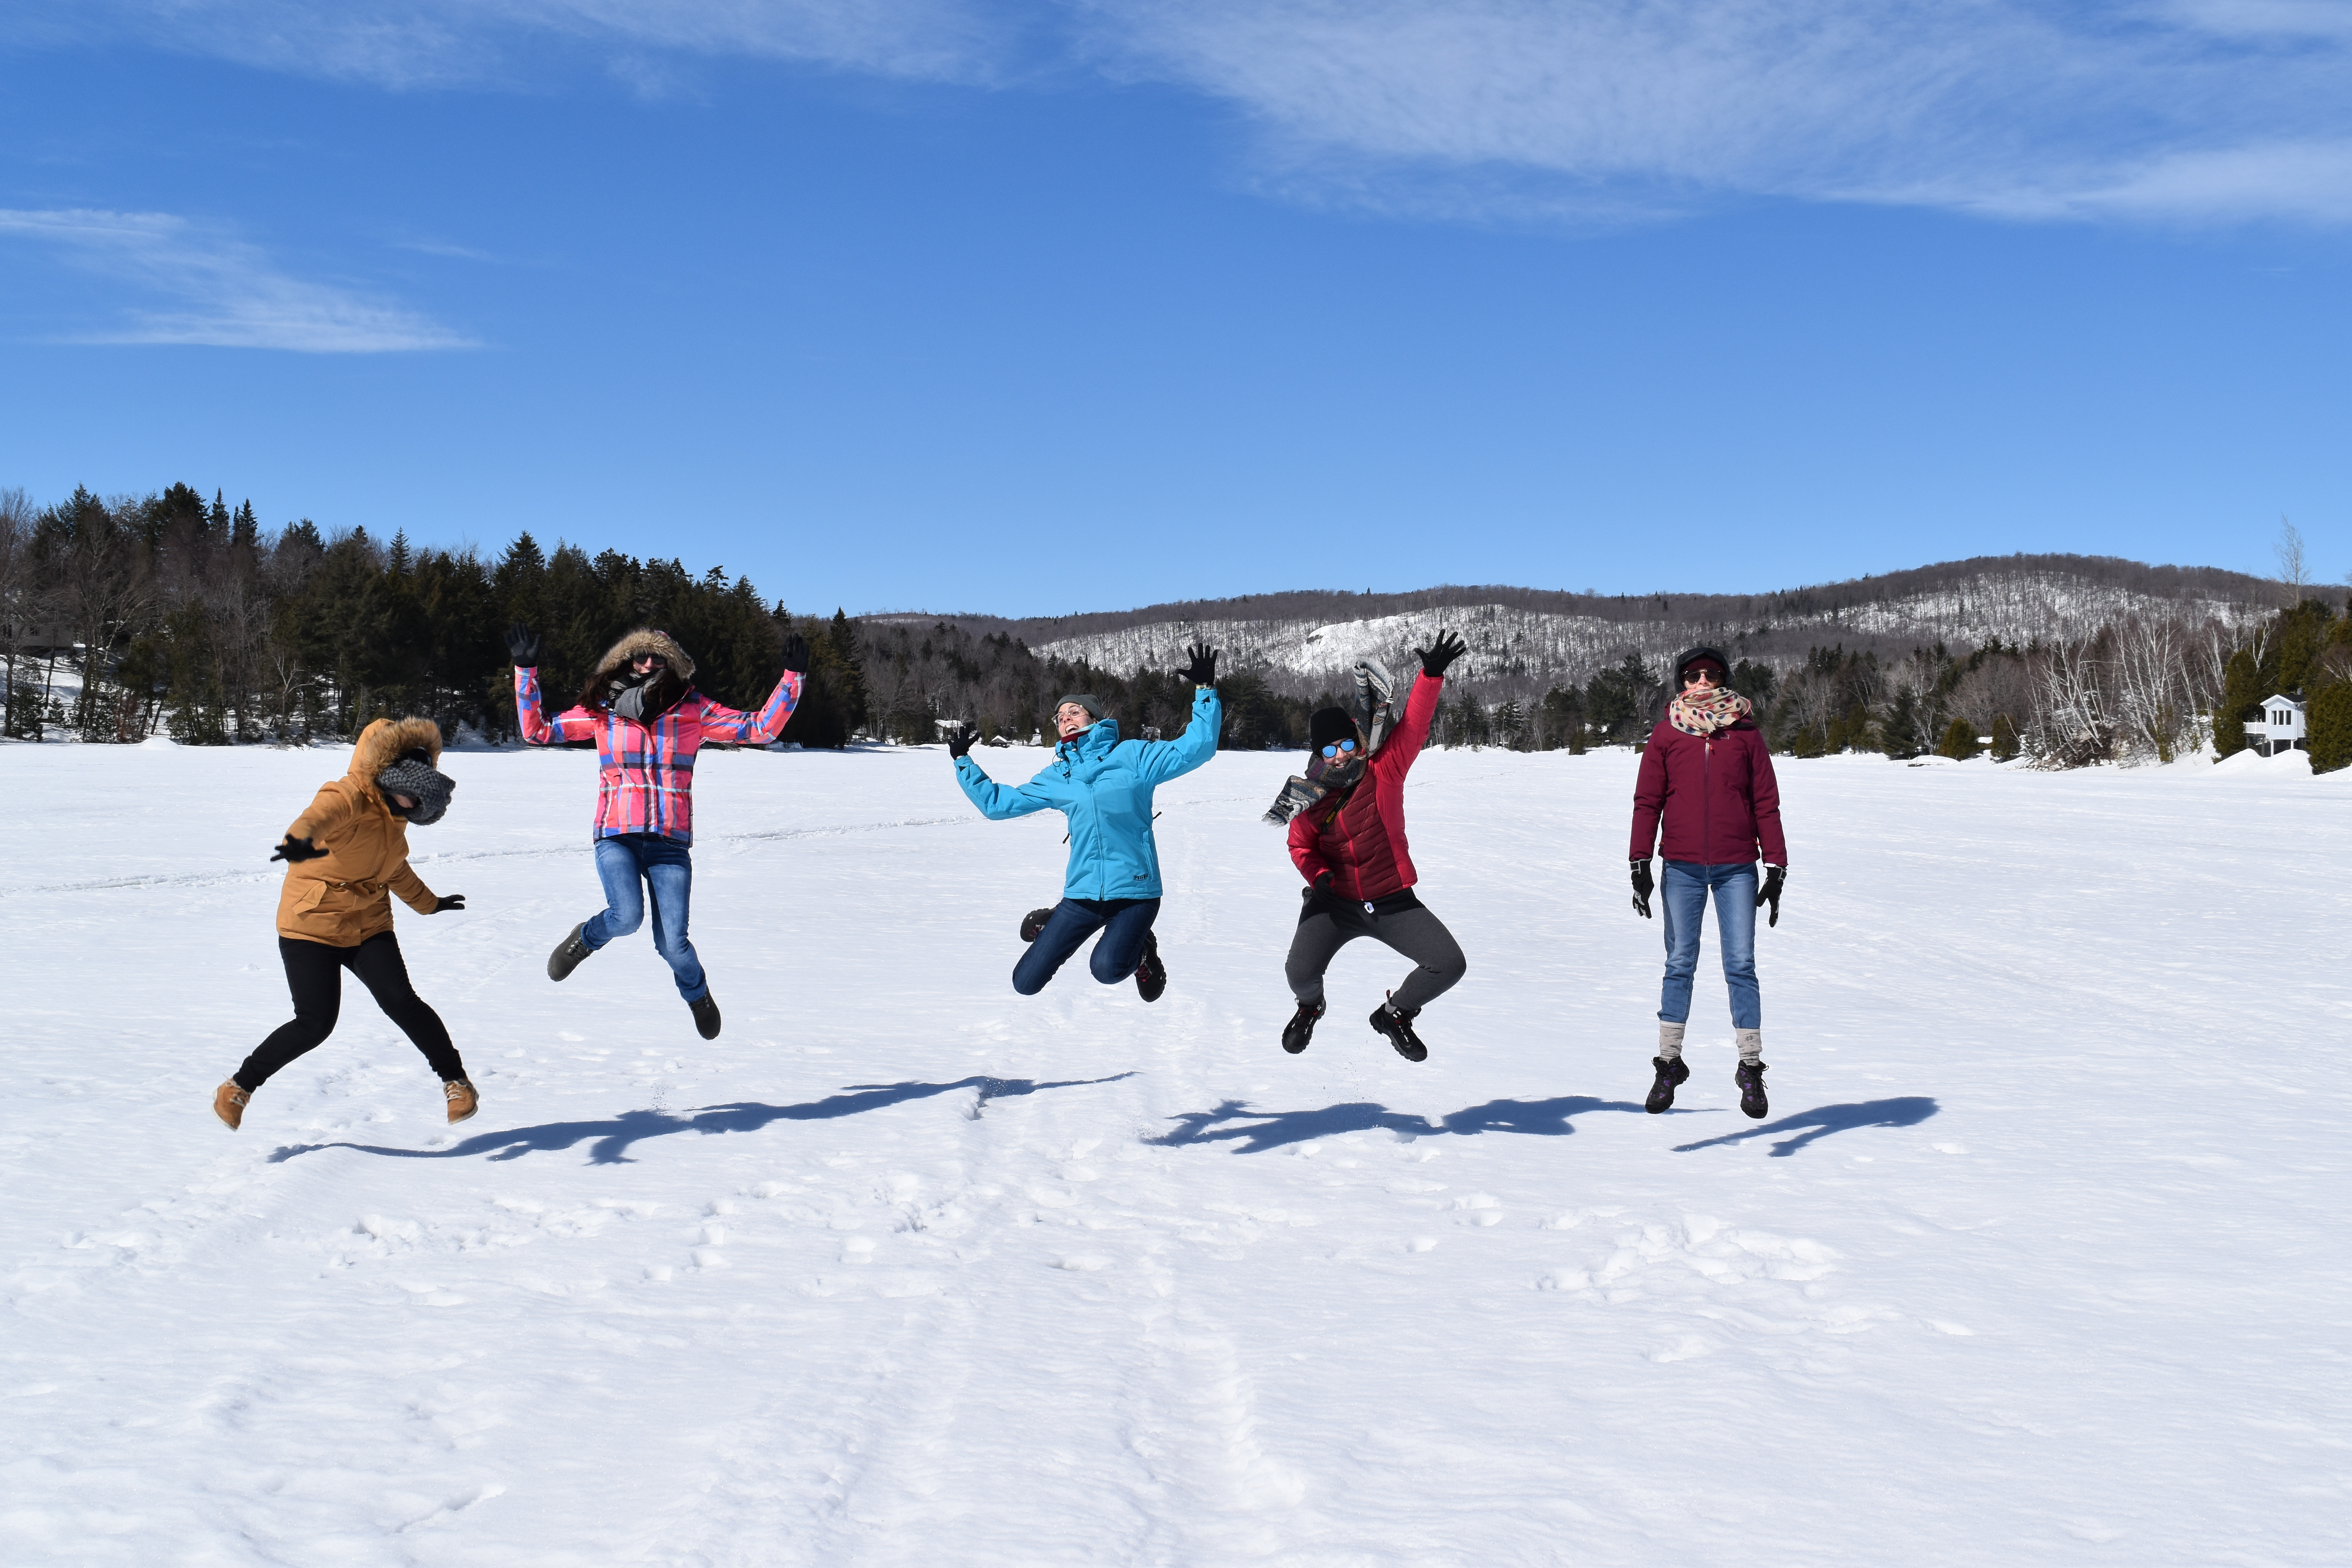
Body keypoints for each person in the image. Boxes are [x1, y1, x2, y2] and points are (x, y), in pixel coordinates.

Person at [508, 622, 808, 1040]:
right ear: (626, 661)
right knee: (626, 915)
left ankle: (697, 992)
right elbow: (538, 731)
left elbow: (760, 728)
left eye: (657, 657)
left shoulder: (692, 709)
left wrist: (792, 679)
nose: (648, 664)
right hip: (617, 834)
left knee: (674, 946)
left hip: (669, 843)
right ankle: (586, 938)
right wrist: (526, 670)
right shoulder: (601, 709)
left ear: (672, 664)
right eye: (640, 656)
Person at [213, 719, 473, 1131]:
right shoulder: (348, 795)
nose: (413, 808)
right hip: (310, 923)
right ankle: (238, 1087)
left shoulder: (396, 815)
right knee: (315, 1023)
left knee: (401, 1002)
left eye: (420, 804)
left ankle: (456, 1082)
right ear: (393, 778)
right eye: (412, 799)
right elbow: (316, 819)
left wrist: (430, 904)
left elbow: (394, 869)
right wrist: (298, 841)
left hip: (367, 923)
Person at [951, 644, 1222, 1000]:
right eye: (1060, 716)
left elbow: (1198, 747)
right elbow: (998, 805)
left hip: (1135, 892)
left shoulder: (1133, 756)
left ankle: (1142, 951)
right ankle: (1058, 918)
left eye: (1074, 712)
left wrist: (1205, 692)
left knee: (1107, 970)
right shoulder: (1058, 776)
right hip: (1083, 893)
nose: (1065, 718)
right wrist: (962, 761)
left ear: (1094, 718)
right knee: (1025, 983)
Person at [1276, 630, 1468, 1062]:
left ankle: (1395, 1015)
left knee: (1449, 964)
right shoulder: (1308, 795)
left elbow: (1415, 727)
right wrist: (1319, 877)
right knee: (1299, 972)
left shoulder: (1385, 769)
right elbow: (1299, 846)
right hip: (1334, 902)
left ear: (1356, 741)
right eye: (1330, 748)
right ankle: (1310, 1007)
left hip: (1391, 900)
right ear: (1318, 754)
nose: (1341, 755)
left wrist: (1430, 676)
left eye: (1346, 743)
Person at [1628, 646, 1788, 1119]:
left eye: (1712, 674)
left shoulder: (1747, 737)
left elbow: (1766, 804)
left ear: (1723, 681)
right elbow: (1646, 802)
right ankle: (1669, 1064)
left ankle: (1750, 1067)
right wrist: (1639, 862)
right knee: (1679, 963)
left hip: (1738, 866)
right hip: (1681, 868)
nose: (1703, 680)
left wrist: (1776, 866)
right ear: (1682, 683)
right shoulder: (1666, 735)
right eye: (1694, 674)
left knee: (1741, 964)